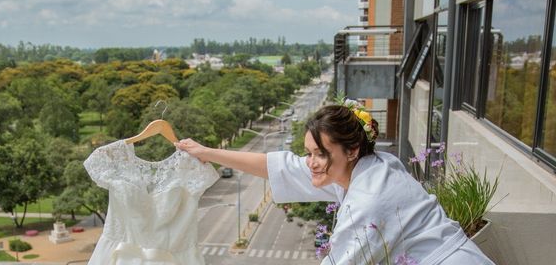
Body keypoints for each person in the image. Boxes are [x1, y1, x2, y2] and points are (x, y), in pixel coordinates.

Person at [176, 101, 494, 265]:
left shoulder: (367, 201)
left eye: (319, 154)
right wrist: (206, 152)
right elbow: (281, 167)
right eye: (308, 152)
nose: (311, 162)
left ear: (352, 149)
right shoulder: (369, 165)